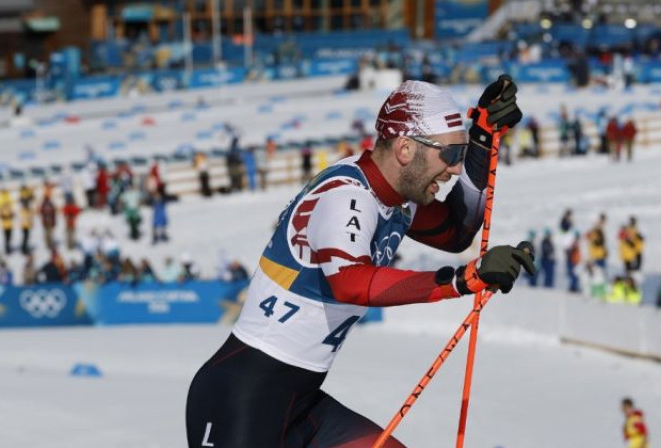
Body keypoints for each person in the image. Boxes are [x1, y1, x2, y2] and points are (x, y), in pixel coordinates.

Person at [185, 77, 533, 448]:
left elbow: (456, 230)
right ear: (404, 148)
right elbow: (352, 283)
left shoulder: (397, 195)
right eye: (450, 156)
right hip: (241, 399)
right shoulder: (346, 197)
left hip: (301, 404)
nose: (453, 169)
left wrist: (481, 139)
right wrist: (462, 280)